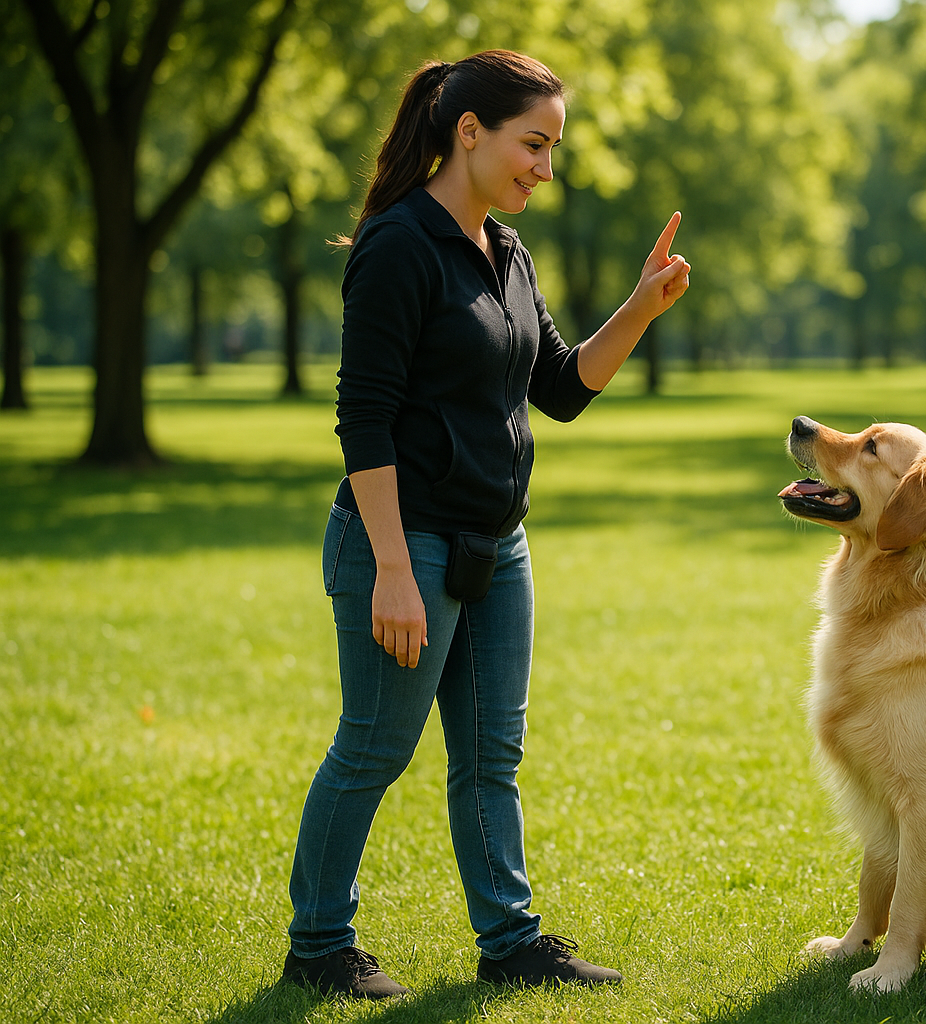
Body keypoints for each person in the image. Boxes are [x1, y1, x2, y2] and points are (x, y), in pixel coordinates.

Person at [281, 50, 689, 1000]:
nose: (546, 167)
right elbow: (365, 416)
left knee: (489, 753)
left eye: (552, 148)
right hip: (404, 542)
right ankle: (318, 947)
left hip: (496, 544)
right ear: (469, 132)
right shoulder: (397, 246)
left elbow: (559, 388)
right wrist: (389, 566)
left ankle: (509, 940)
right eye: (532, 144)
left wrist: (638, 306)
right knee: (377, 746)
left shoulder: (506, 251)